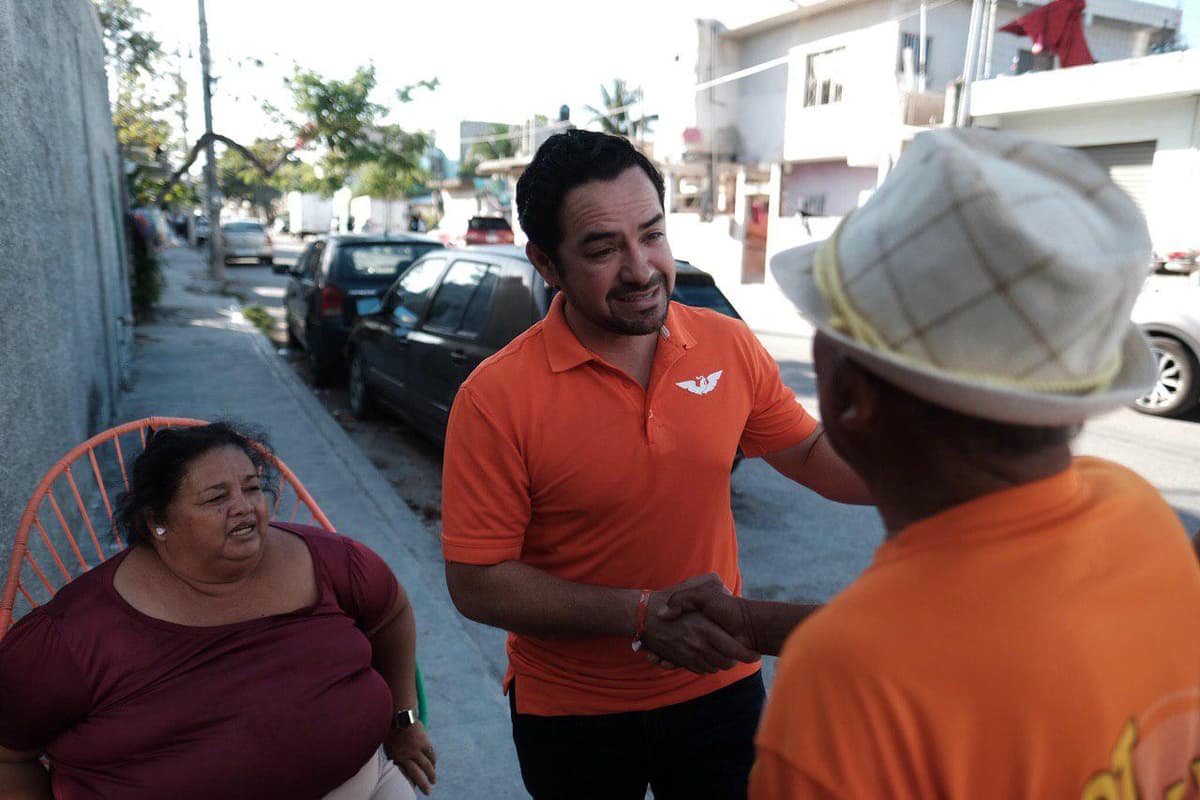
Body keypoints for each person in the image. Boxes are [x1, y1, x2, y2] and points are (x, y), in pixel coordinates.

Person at [704, 126, 1200, 798]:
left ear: (848, 394)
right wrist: (758, 623)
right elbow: (989, 660)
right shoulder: (1138, 513)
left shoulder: (845, 686)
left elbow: (921, 661)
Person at [440, 129, 870, 800]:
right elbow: (478, 583)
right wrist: (641, 612)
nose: (641, 269)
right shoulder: (496, 396)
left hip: (720, 684)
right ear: (547, 264)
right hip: (572, 712)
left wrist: (942, 471)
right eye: (603, 249)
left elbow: (813, 455)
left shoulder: (724, 343)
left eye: (652, 235)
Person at [0, 423, 436, 799]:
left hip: (360, 785)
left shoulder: (332, 561)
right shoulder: (71, 636)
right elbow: (8, 757)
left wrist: (405, 720)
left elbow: (391, 615)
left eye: (251, 488)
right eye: (215, 498)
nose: (245, 506)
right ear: (157, 522)